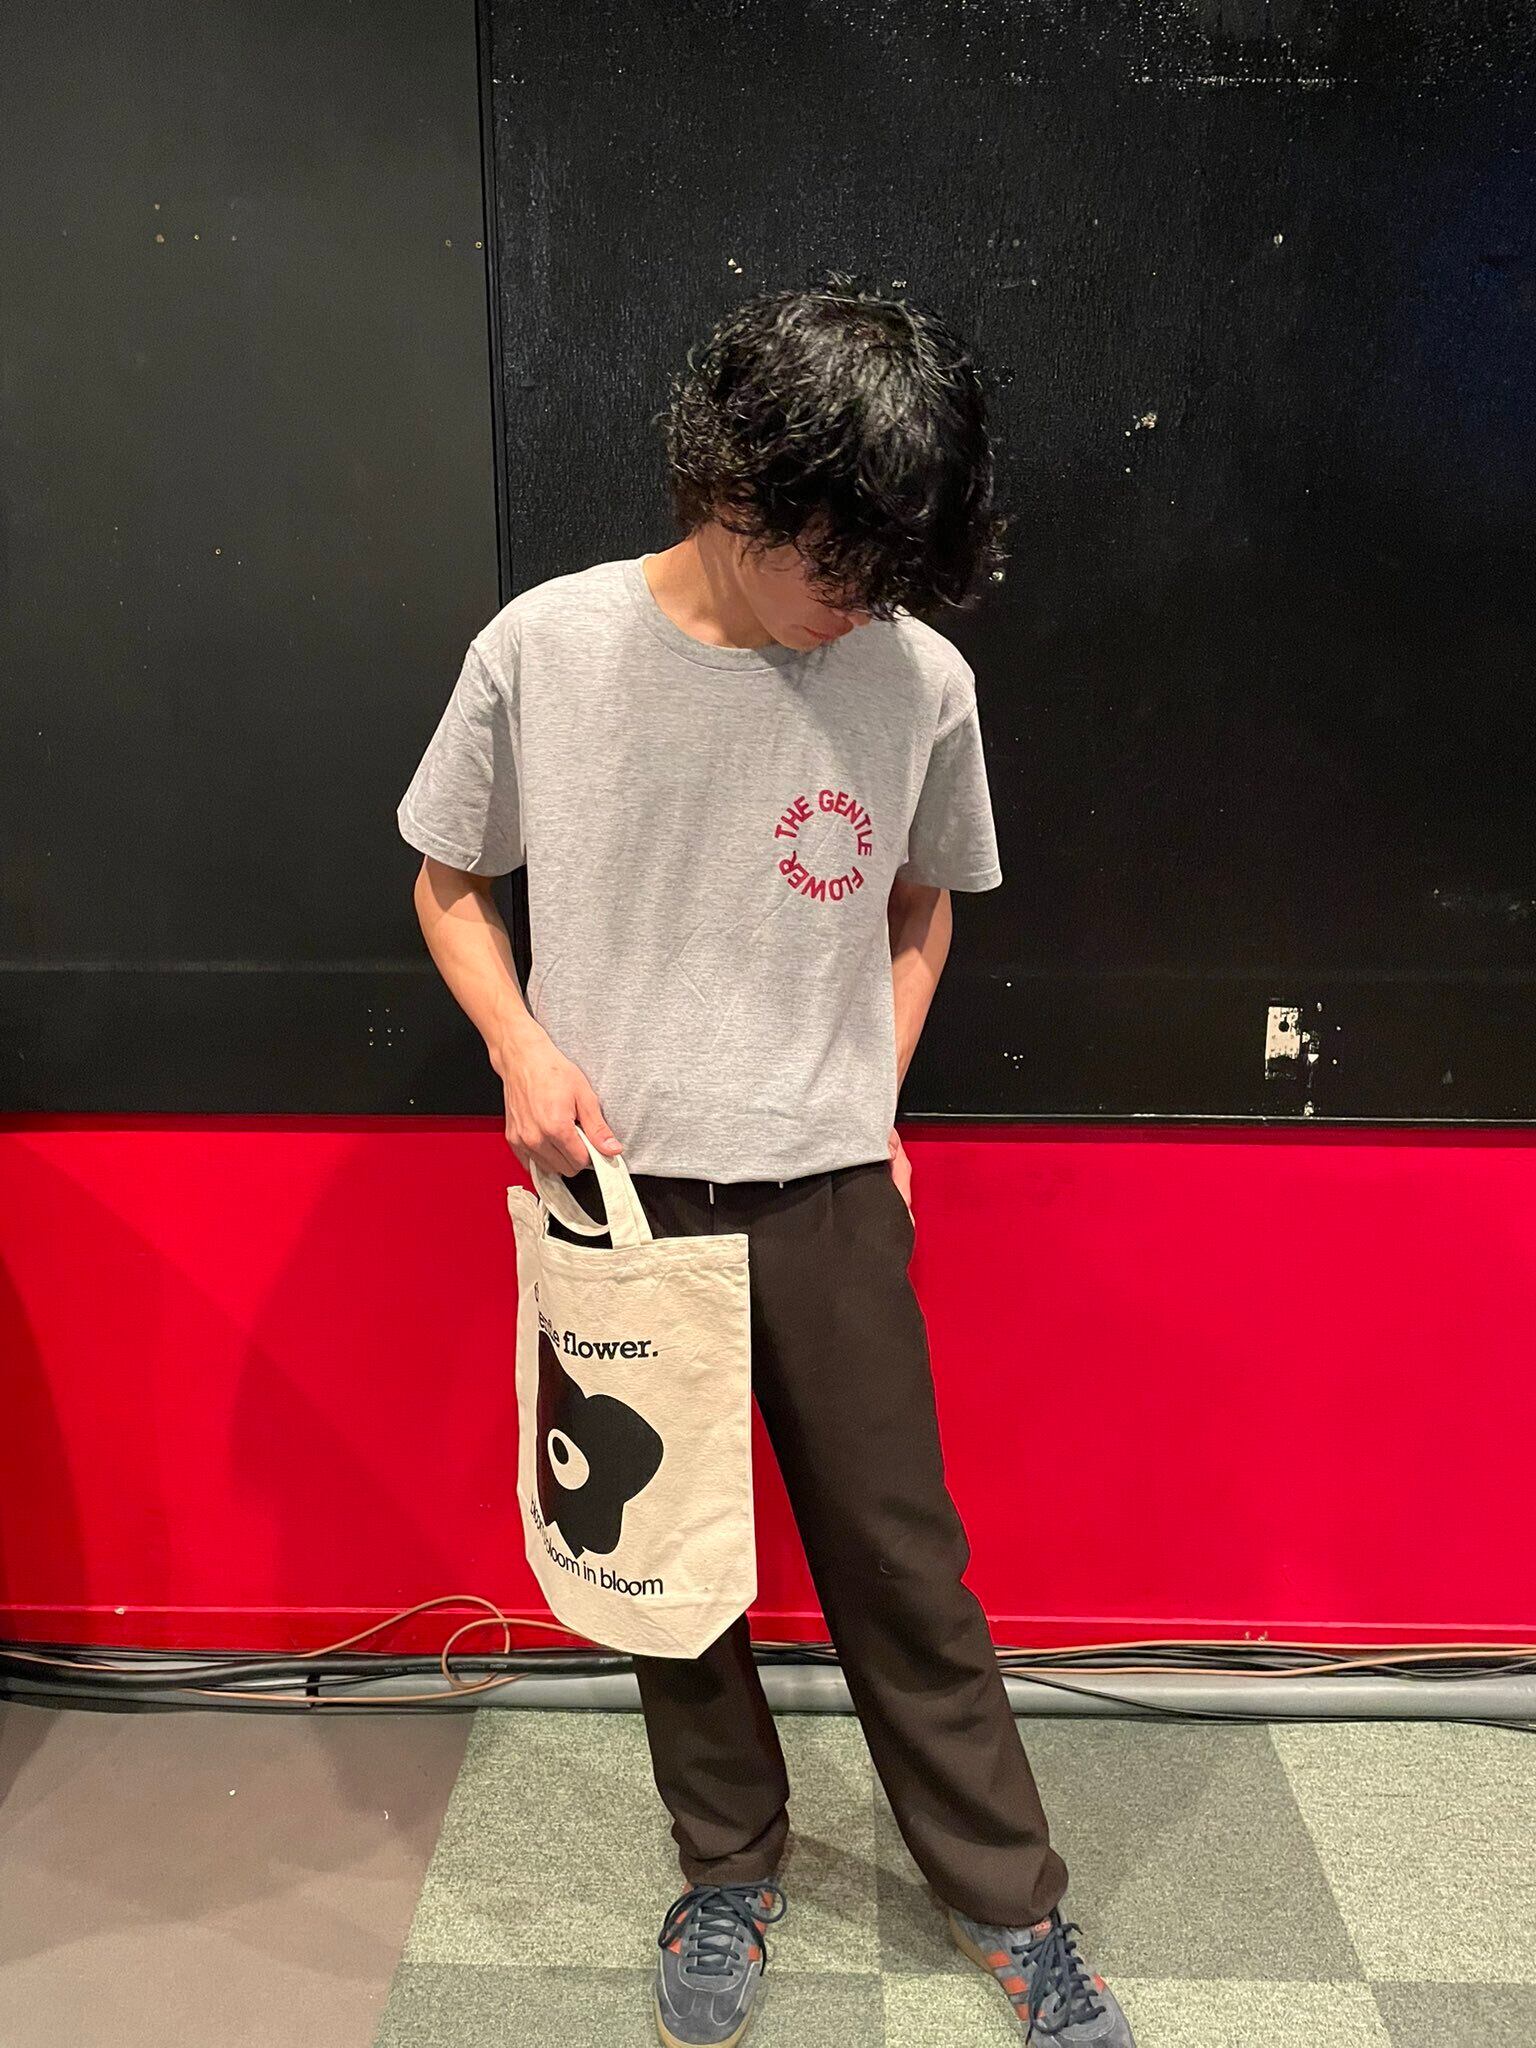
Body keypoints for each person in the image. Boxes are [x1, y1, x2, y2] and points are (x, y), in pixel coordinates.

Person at [397, 278, 1136, 2048]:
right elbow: (447, 880)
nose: (860, 605)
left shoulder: (918, 677)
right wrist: (520, 1047)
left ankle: (1009, 1902)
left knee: (905, 1568)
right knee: (665, 1569)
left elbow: (922, 905)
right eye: (838, 563)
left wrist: (866, 1093)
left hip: (826, 1195)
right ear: (734, 485)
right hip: (620, 1198)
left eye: (894, 574)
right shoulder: (544, 650)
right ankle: (726, 1866)